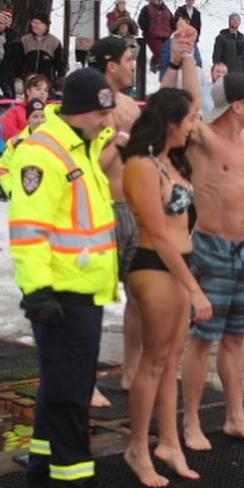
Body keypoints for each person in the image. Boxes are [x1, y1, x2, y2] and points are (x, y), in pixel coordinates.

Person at [7, 66, 123, 488]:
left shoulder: (82, 144)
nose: (107, 120)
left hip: (79, 289)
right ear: (80, 111)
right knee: (71, 393)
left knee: (59, 387)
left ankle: (42, 473)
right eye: (102, 111)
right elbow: (28, 230)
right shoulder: (45, 153)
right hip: (59, 293)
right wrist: (36, 292)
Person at [121, 68, 213, 488]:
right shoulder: (141, 165)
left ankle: (169, 442)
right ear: (171, 123)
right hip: (155, 267)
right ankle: (137, 447)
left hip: (180, 266)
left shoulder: (168, 162)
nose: (195, 125)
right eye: (190, 119)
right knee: (153, 361)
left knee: (170, 360)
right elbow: (157, 233)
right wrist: (194, 288)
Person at [181, 71, 244, 451]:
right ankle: (190, 421)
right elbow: (190, 104)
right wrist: (186, 54)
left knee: (236, 339)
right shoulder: (203, 140)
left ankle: (236, 417)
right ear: (236, 105)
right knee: (203, 339)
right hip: (210, 247)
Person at [88, 35, 143, 403]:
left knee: (139, 294)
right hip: (100, 209)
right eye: (128, 59)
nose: (133, 65)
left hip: (133, 209)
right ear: (110, 64)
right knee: (91, 300)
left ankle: (132, 372)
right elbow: (87, 166)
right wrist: (120, 139)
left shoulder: (130, 106)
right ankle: (86, 381)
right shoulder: (87, 105)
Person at [0, 98, 46, 197]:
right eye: (35, 116)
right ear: (28, 119)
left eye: (42, 116)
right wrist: (11, 190)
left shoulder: (56, 141)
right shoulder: (16, 142)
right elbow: (3, 168)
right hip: (23, 200)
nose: (39, 120)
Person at [1, 73, 50, 141]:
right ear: (28, 92)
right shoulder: (15, 112)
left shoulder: (52, 111)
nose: (43, 93)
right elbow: (8, 134)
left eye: (46, 90)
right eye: (38, 89)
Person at [20, 12, 66, 84]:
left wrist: (60, 79)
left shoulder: (54, 42)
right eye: (33, 22)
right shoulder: (24, 40)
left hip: (47, 81)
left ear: (45, 25)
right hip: (28, 80)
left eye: (37, 23)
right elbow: (18, 62)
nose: (34, 25)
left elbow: (59, 64)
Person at [137, 0, 175, 72]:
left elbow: (172, 21)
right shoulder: (147, 8)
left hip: (166, 35)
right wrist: (147, 29)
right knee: (159, 51)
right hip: (153, 35)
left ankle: (162, 66)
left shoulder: (166, 9)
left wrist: (171, 30)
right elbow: (141, 21)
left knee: (167, 52)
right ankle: (154, 65)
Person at [0, 9, 22, 98]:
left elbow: (17, 58)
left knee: (9, 92)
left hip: (8, 70)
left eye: (1, 23)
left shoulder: (14, 39)